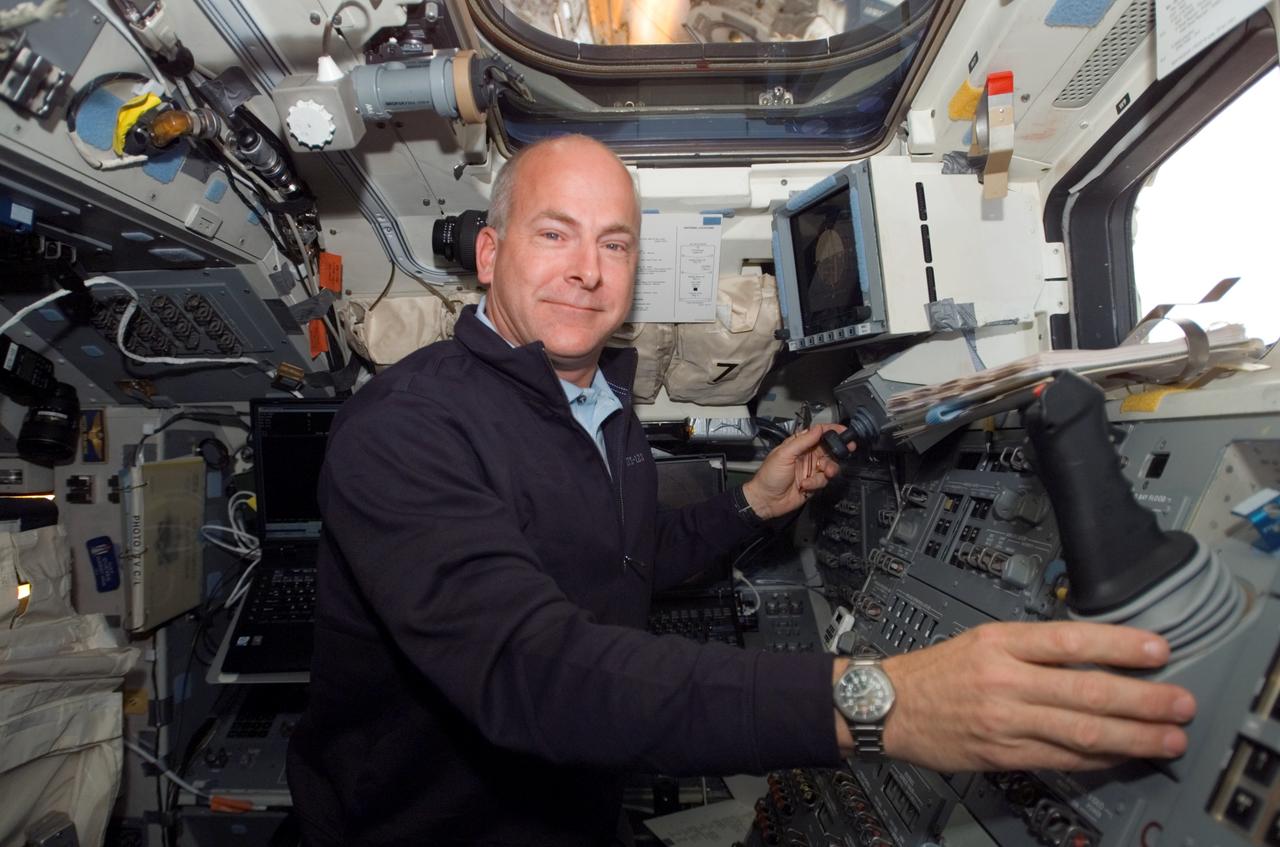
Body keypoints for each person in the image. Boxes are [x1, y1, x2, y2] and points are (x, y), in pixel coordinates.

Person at [286, 134, 1196, 846]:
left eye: (614, 244)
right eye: (552, 234)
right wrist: (883, 700)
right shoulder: (408, 425)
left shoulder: (595, 402)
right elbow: (534, 669)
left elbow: (618, 560)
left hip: (570, 804)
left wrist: (752, 504)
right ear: (489, 253)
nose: (587, 270)